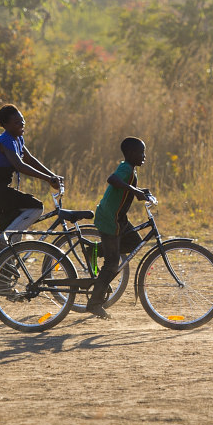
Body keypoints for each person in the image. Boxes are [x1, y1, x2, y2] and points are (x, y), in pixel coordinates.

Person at [0, 104, 63, 247]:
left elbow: (29, 159)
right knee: (36, 207)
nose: (22, 124)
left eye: (22, 120)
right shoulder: (5, 140)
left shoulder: (17, 138)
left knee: (16, 222)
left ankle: (5, 262)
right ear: (5, 125)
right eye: (17, 122)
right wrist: (48, 179)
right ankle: (3, 241)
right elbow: (20, 165)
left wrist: (53, 176)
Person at [86, 136, 150, 320]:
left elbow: (126, 188)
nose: (144, 156)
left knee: (134, 244)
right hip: (110, 219)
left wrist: (141, 192)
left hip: (119, 218)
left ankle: (95, 250)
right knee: (112, 264)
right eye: (141, 152)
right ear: (130, 154)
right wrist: (135, 190)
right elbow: (112, 179)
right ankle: (94, 303)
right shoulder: (125, 168)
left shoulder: (130, 170)